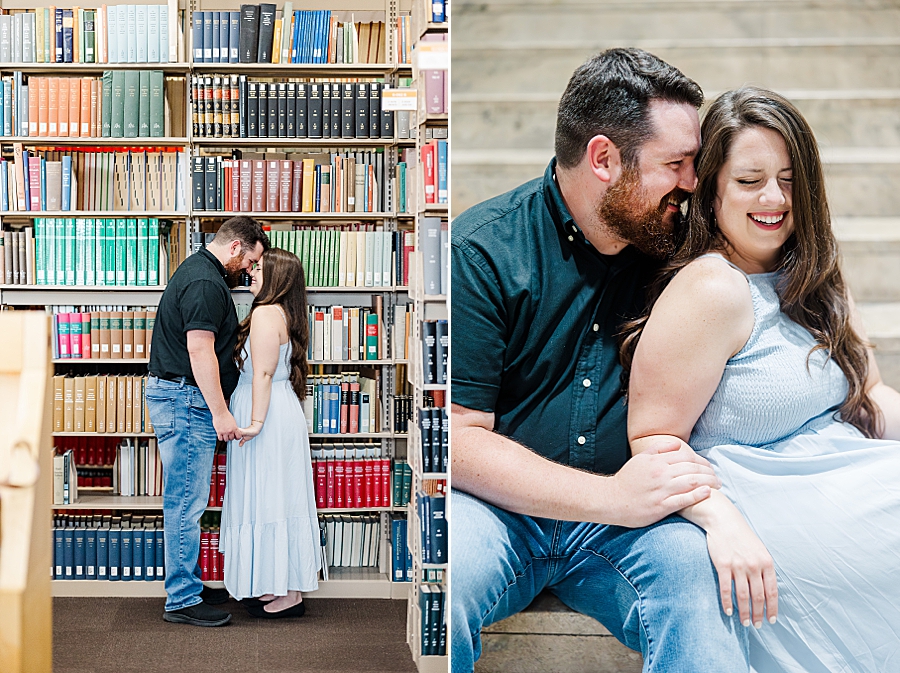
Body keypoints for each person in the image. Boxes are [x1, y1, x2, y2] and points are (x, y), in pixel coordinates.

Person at [451, 48, 749, 672]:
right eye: (676, 164)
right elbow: (458, 441)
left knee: (706, 595)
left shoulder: (680, 250)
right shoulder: (482, 249)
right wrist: (612, 499)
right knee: (445, 585)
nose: (693, 183)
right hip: (501, 514)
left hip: (631, 529)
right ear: (604, 159)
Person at [620, 86, 900, 672]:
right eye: (750, 180)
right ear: (712, 188)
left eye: (790, 178)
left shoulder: (812, 270)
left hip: (838, 472)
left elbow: (871, 394)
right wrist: (724, 526)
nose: (774, 198)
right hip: (760, 504)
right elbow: (652, 440)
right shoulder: (712, 288)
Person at [147, 216, 268, 627]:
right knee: (186, 502)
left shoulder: (203, 273)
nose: (250, 270)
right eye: (251, 260)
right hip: (186, 401)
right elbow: (199, 352)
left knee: (189, 500)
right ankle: (182, 598)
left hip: (185, 398)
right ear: (236, 247)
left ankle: (189, 584)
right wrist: (221, 413)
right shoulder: (204, 284)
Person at [218, 247, 321, 618]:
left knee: (271, 498)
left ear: (277, 278)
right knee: (278, 498)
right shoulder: (284, 313)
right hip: (278, 411)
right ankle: (281, 583)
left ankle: (289, 593)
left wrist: (256, 424)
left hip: (266, 417)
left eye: (260, 269)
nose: (252, 273)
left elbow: (261, 373)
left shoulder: (264, 314)